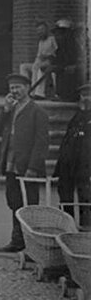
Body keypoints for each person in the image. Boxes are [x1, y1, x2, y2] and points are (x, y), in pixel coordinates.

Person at [0, 72, 50, 253]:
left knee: (29, 205)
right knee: (14, 202)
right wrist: (5, 109)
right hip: (11, 164)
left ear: (27, 88)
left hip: (27, 168)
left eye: (18, 87)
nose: (15, 91)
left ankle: (32, 244)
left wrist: (33, 167)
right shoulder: (11, 109)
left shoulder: (37, 112)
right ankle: (17, 240)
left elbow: (41, 142)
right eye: (12, 88)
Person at [54, 83, 91, 227]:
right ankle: (67, 228)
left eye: (89, 95)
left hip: (85, 166)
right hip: (68, 165)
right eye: (84, 95)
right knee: (65, 197)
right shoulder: (77, 117)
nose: (86, 99)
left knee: (86, 199)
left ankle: (85, 232)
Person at [30, 21, 58, 99]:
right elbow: (39, 55)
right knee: (24, 67)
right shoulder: (41, 42)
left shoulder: (52, 39)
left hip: (50, 61)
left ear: (46, 30)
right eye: (38, 30)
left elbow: (57, 51)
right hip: (41, 61)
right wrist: (39, 58)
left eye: (42, 30)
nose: (40, 32)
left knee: (38, 68)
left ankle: (39, 93)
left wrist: (48, 55)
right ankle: (31, 91)